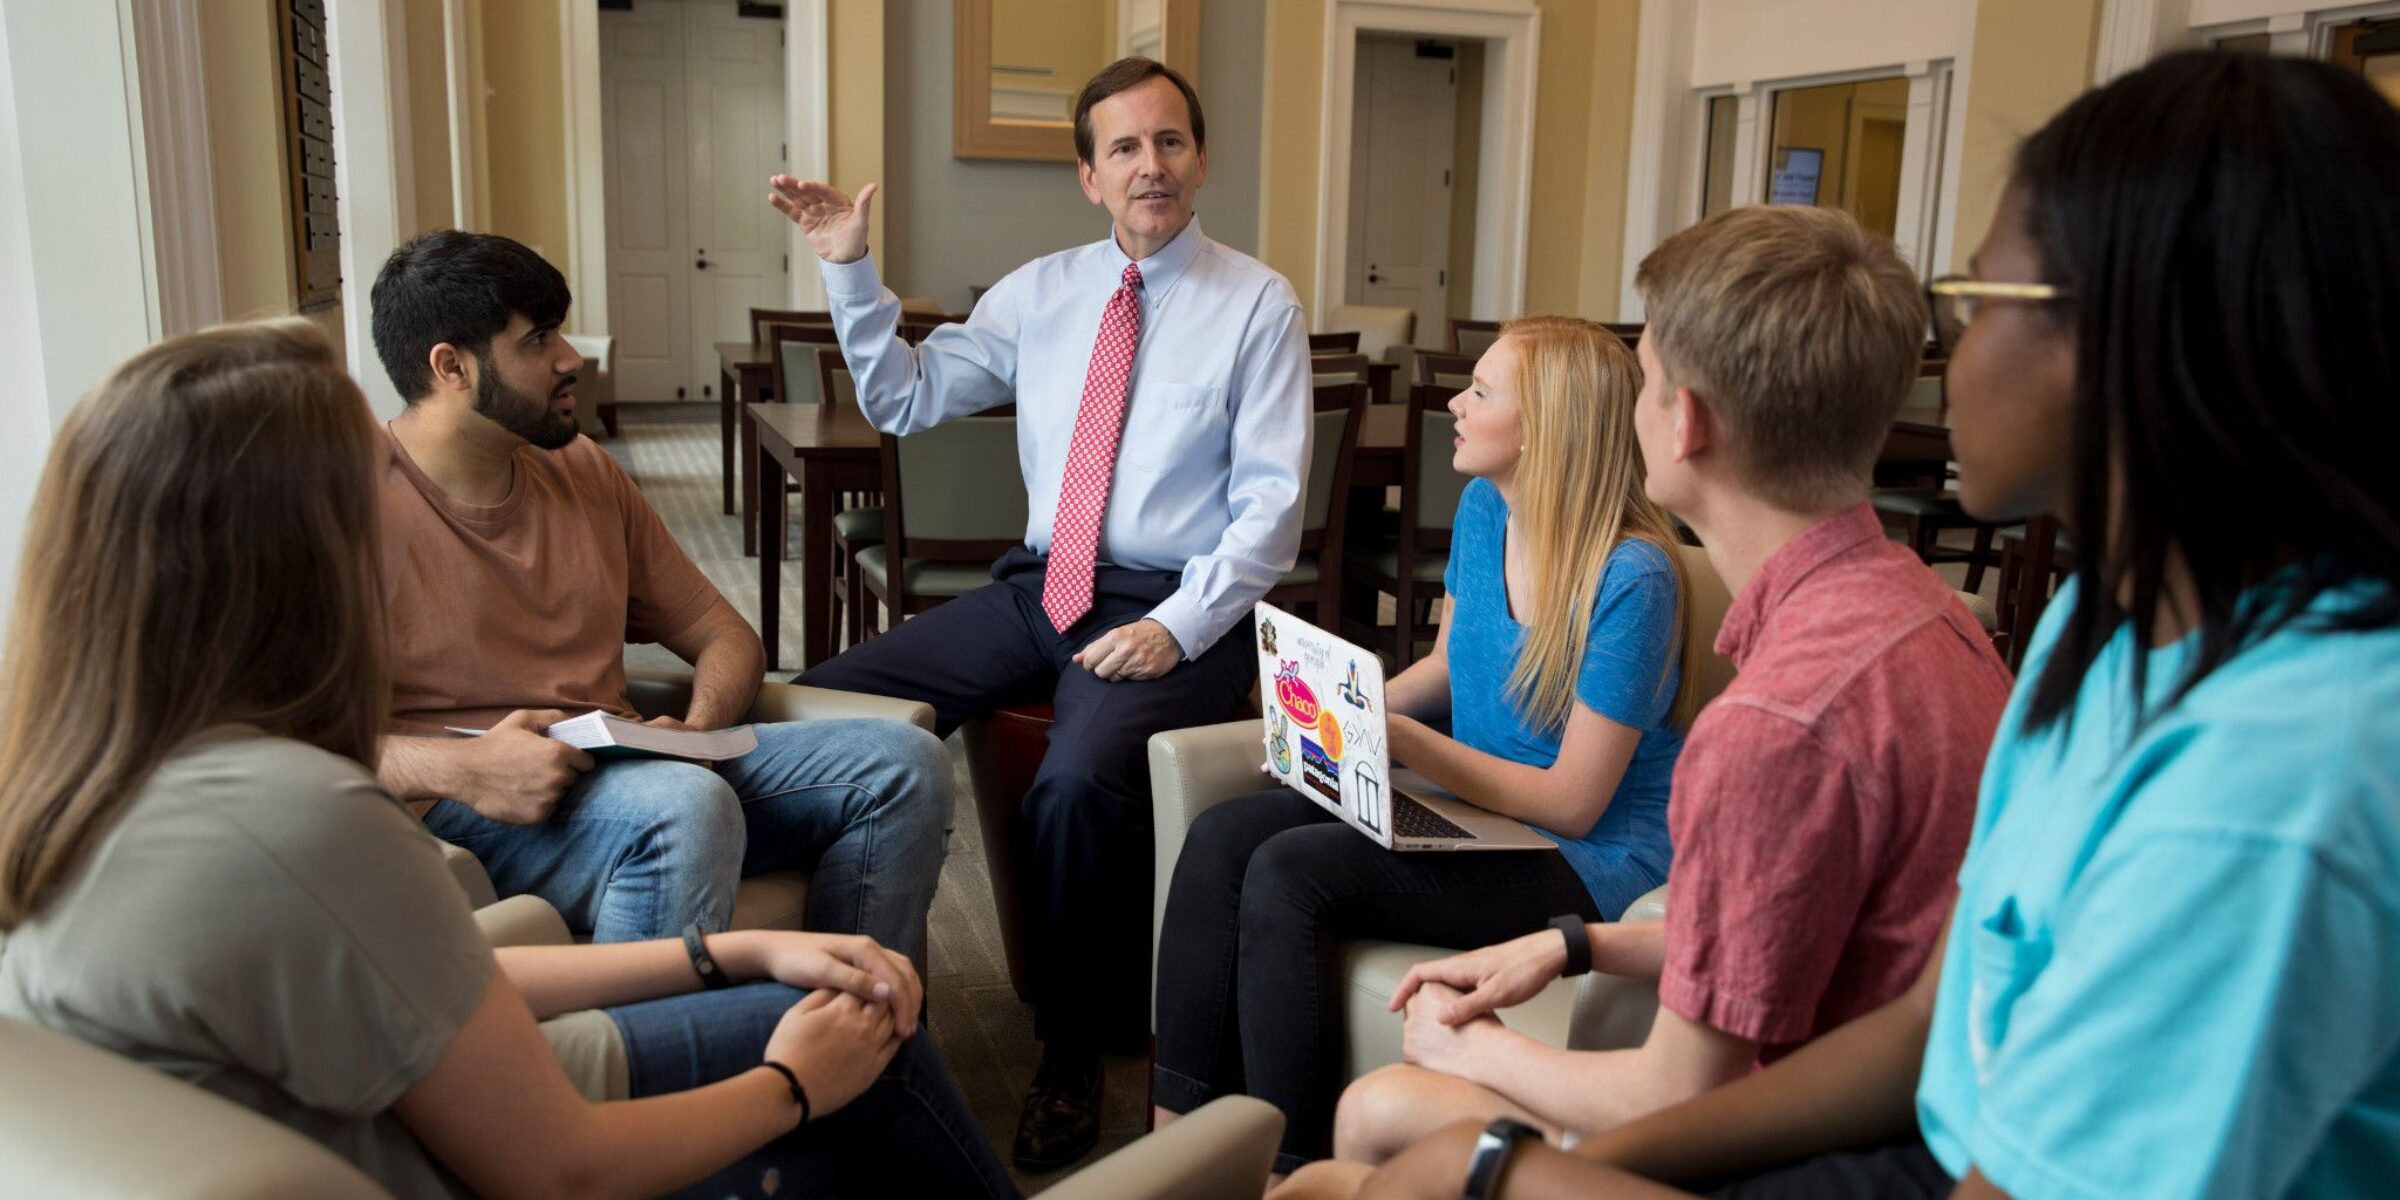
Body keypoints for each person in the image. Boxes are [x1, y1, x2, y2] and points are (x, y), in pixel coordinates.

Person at [1290, 50, 2400, 1200]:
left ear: (2135, 333)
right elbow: (1938, 1015)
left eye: (1973, 305)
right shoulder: (2092, 623)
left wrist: (1491, 1180)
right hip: (1933, 1129)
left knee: (1386, 1168)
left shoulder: (2268, 792)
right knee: (1379, 1154)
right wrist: (1554, 1110)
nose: (1950, 358)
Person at [0, 319, 1018, 1200]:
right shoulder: (299, 814)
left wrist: (734, 952)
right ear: (296, 555)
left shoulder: (105, 766)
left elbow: (433, 976)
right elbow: (559, 1173)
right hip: (467, 1159)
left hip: (386, 1105)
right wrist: (795, 1086)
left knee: (887, 776)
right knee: (868, 1068)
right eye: (362, 499)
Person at [1295, 205, 2013, 1189]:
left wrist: (1472, 1051)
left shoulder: (1775, 722)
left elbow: (1680, 1098)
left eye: (1645, 378)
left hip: (1802, 1146)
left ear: (1686, 420)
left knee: (1360, 1147)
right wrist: (1576, 943)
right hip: (1920, 1117)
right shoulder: (1944, 615)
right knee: (1371, 1117)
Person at [770, 56, 1311, 1168]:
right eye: (1124, 148)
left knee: (1072, 782)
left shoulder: (1259, 302)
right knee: (828, 699)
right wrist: (851, 270)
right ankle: (847, 985)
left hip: (1175, 601)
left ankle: (1070, 1051)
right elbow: (902, 397)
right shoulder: (1042, 292)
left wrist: (1182, 625)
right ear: (1088, 176)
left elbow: (1269, 509)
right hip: (1041, 583)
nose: (1149, 166)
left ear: (1201, 161)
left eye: (1169, 143)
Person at [1147, 316, 1698, 1179]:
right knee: (1223, 838)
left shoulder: (1636, 575)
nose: (1454, 402)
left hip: (1590, 859)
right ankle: (1178, 1142)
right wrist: (1343, 710)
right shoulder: (1486, 510)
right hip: (1484, 812)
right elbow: (1447, 666)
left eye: (1481, 391)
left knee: (1292, 874)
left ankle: (1291, 1173)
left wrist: (1397, 739)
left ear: (1546, 427)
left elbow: (1573, 801)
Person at [364, 231, 950, 968]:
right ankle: (650, 1065)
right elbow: (267, 745)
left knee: (905, 763)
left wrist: (697, 735)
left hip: (628, 770)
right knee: (682, 809)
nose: (570, 357)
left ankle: (857, 1043)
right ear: (451, 367)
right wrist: (463, 771)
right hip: (467, 811)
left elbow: (723, 633)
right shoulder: (348, 505)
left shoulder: (581, 470)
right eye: (539, 339)